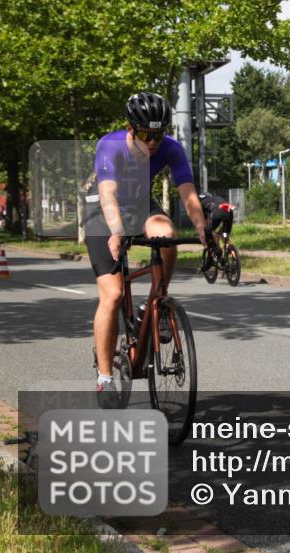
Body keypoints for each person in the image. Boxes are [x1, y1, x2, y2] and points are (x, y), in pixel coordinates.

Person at [84, 92, 207, 407]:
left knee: (166, 234)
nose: (152, 142)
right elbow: (108, 194)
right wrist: (116, 232)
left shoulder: (170, 148)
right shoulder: (110, 146)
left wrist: (201, 227)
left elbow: (188, 192)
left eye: (158, 135)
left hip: (140, 206)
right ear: (129, 128)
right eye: (144, 135)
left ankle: (157, 303)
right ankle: (105, 377)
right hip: (103, 212)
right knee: (111, 295)